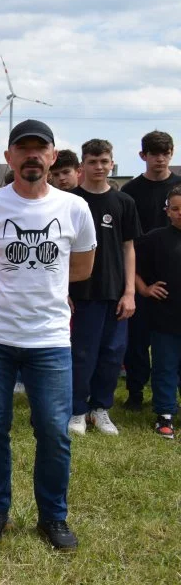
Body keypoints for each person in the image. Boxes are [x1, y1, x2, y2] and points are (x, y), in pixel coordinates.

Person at [0, 120, 96, 551]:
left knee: (53, 430)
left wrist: (43, 293)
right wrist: (2, 293)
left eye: (41, 149)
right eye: (24, 149)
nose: (32, 156)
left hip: (49, 338)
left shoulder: (74, 209)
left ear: (53, 157)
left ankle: (53, 516)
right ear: (10, 156)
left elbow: (84, 267)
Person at [68, 139, 140, 437]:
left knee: (112, 353)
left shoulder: (124, 202)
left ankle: (101, 408)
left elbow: (128, 248)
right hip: (81, 293)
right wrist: (64, 291)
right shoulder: (69, 200)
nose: (99, 167)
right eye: (92, 161)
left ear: (112, 164)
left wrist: (129, 291)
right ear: (82, 165)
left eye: (104, 161)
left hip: (115, 293)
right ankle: (76, 410)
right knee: (82, 354)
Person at [121, 130, 179, 410]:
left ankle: (168, 399)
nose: (160, 158)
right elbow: (126, 240)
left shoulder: (179, 185)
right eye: (154, 153)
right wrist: (139, 284)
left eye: (165, 152)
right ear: (143, 156)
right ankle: (135, 392)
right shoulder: (131, 191)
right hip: (140, 272)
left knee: (171, 345)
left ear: (172, 153)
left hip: (173, 275)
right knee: (138, 341)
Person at [135, 185, 181, 439]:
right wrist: (144, 288)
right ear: (167, 211)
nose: (180, 213)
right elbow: (129, 261)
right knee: (165, 366)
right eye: (175, 209)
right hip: (165, 318)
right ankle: (164, 413)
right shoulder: (155, 238)